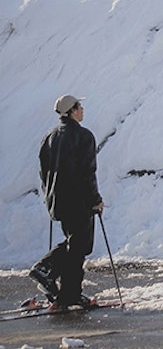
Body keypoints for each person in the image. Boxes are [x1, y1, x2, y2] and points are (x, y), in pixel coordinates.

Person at [29, 94, 104, 309]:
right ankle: (47, 270)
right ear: (71, 111)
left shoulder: (49, 138)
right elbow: (87, 172)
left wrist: (49, 197)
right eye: (79, 106)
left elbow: (44, 173)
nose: (82, 110)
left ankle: (67, 291)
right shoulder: (84, 136)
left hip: (58, 200)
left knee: (76, 245)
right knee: (79, 245)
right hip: (79, 199)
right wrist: (95, 199)